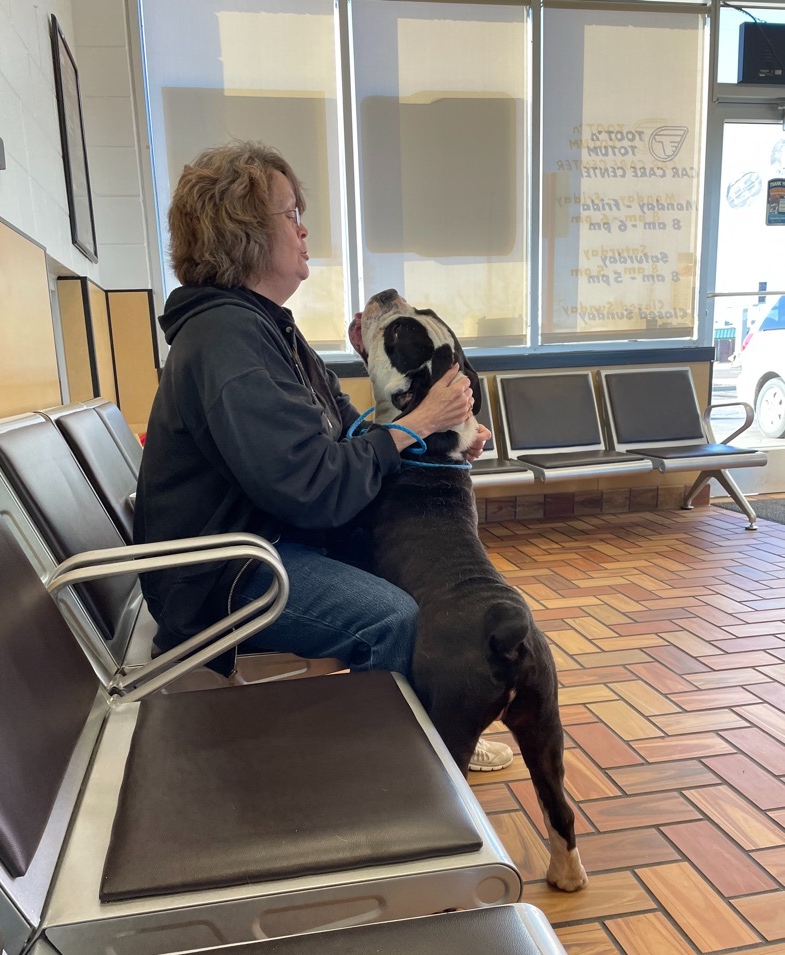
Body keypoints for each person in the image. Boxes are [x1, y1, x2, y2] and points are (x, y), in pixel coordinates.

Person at [134, 141, 513, 772]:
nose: (304, 230)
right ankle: (392, 773)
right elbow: (312, 486)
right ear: (244, 233)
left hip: (262, 542)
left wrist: (441, 437)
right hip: (225, 576)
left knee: (420, 575)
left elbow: (344, 427)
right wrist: (419, 423)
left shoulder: (263, 326)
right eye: (290, 215)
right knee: (395, 617)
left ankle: (432, 733)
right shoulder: (228, 340)